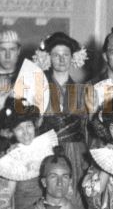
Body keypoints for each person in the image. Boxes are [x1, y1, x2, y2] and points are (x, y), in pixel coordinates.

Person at [36, 32, 90, 196]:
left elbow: (87, 128)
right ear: (48, 58)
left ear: (72, 57)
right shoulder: (39, 88)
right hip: (46, 149)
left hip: (75, 151)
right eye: (56, 55)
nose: (61, 59)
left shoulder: (82, 91)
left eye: (65, 55)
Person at [0, 98, 45, 209]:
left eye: (29, 126)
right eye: (19, 128)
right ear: (11, 133)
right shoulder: (4, 160)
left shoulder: (46, 151)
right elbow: (1, 204)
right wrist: (12, 172)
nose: (26, 133)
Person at [0, 29, 22, 112]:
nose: (8, 55)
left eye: (12, 49)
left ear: (19, 51)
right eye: (3, 50)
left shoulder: (26, 77)